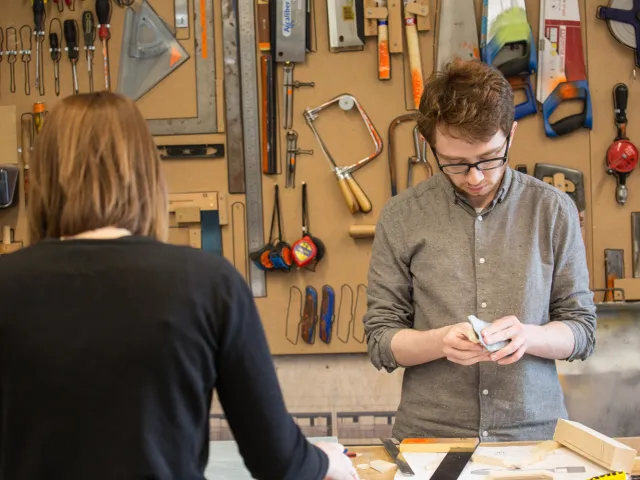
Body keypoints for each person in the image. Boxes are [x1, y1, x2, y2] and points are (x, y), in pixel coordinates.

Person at [0, 92, 358, 480]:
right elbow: (279, 461)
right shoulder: (208, 284)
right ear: (147, 175)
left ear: (44, 178)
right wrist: (328, 461)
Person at [363, 60, 596, 443]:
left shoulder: (553, 210)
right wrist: (439, 342)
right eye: (454, 163)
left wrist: (528, 337)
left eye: (489, 158)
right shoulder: (401, 216)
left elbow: (582, 330)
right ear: (430, 145)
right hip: (431, 439)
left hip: (533, 437)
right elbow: (381, 339)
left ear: (511, 134)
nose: (474, 177)